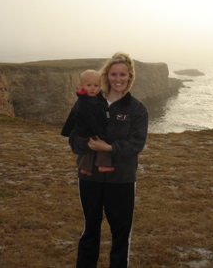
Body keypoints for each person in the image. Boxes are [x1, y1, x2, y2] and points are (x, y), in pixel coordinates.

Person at [66, 52, 148, 267]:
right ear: (106, 75)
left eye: (123, 74)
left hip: (121, 180)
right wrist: (87, 145)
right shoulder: (87, 102)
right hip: (90, 178)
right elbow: (73, 137)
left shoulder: (137, 109)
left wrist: (109, 148)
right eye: (113, 74)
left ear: (130, 76)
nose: (118, 79)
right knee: (90, 229)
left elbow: (136, 143)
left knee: (120, 234)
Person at [61, 69, 114, 175]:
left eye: (96, 86)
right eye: (89, 85)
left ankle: (85, 168)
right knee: (103, 144)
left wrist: (66, 131)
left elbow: (72, 116)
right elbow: (94, 122)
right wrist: (103, 134)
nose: (93, 88)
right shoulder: (87, 104)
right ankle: (103, 165)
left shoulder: (82, 100)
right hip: (89, 132)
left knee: (88, 151)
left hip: (82, 133)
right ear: (81, 86)